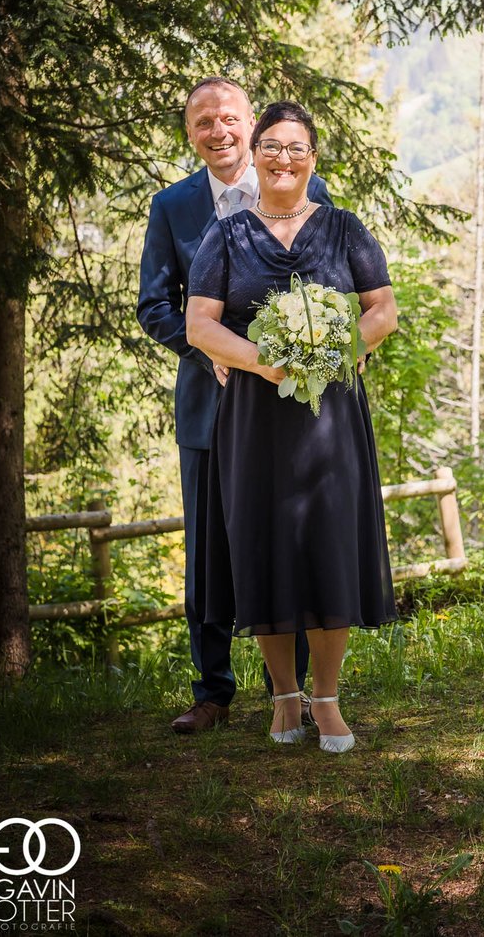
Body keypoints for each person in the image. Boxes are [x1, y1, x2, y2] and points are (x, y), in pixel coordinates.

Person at [185, 100, 398, 751]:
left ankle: (327, 699)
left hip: (331, 416)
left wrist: (331, 353)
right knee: (264, 547)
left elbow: (382, 311)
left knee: (328, 546)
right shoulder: (224, 237)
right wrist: (263, 361)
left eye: (295, 148)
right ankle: (283, 696)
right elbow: (200, 324)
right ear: (254, 154)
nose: (282, 158)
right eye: (270, 146)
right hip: (254, 420)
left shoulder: (345, 229)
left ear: (313, 159)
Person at [138, 78, 333, 734]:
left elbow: (328, 284)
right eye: (202, 122)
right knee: (209, 552)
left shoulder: (301, 185)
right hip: (209, 409)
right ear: (190, 134)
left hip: (285, 404)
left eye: (227, 118)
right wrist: (207, 352)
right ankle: (211, 694)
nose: (216, 131)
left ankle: (298, 693)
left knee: (293, 543)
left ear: (251, 127)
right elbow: (156, 306)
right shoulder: (173, 208)